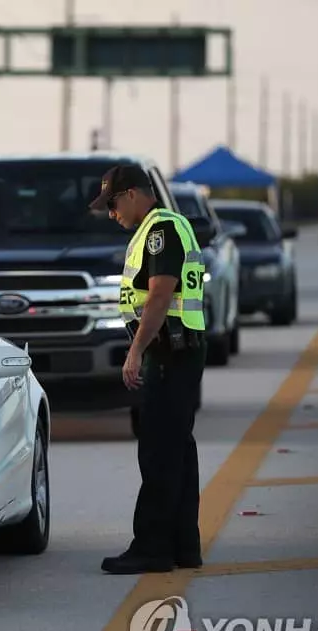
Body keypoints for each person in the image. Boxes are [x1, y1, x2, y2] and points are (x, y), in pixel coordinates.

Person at [89, 164, 207, 575]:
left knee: (158, 452)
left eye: (114, 203)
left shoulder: (160, 230)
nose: (112, 213)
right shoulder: (160, 229)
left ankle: (152, 548)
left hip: (168, 352)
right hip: (177, 351)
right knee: (176, 451)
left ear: (136, 194)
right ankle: (182, 546)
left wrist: (136, 350)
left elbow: (160, 295)